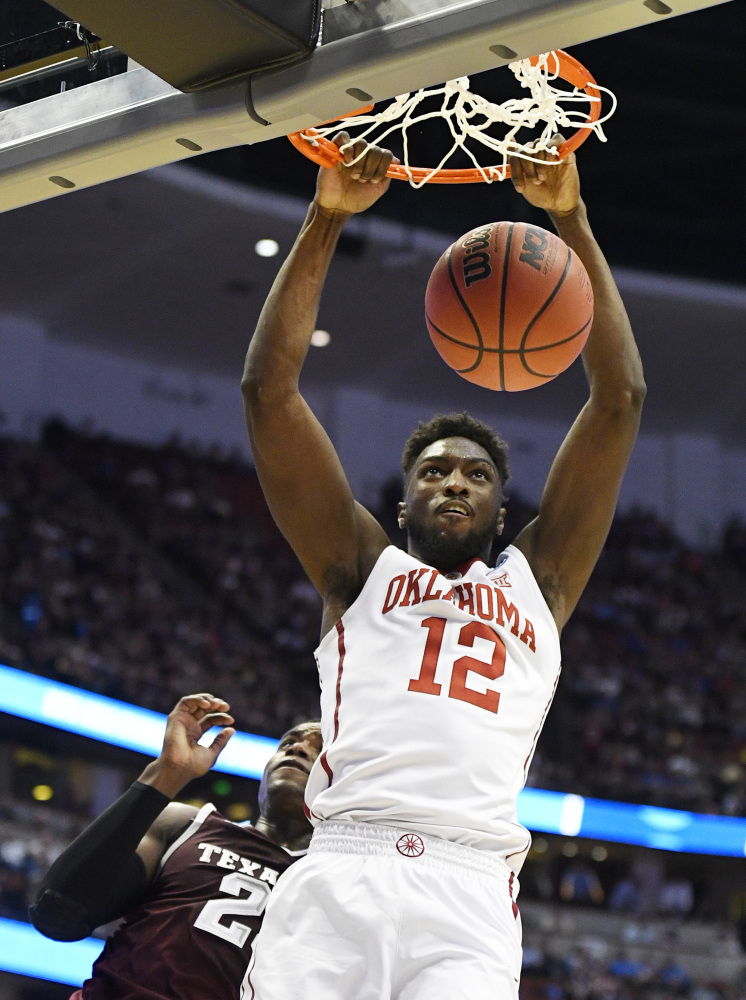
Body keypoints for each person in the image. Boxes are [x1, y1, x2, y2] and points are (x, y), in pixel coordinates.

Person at [240, 132, 645, 999]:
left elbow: (620, 399)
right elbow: (269, 396)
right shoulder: (360, 571)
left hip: (468, 893)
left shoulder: (540, 586)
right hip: (344, 869)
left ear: (504, 509)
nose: (454, 482)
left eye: (476, 474)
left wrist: (568, 215)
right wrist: (325, 217)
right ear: (401, 503)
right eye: (433, 471)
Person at [30, 693, 321, 1000]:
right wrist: (166, 773)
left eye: (320, 750)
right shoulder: (186, 824)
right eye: (288, 743)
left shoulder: (338, 880)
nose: (297, 748)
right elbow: (56, 915)